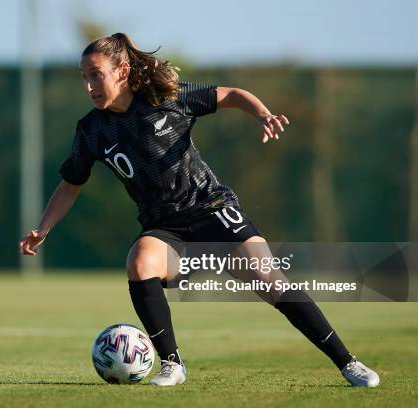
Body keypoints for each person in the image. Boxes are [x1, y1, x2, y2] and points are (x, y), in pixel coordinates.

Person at [19, 33, 379, 388]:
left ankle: (349, 363)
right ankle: (172, 365)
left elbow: (232, 95)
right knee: (140, 263)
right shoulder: (91, 131)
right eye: (84, 76)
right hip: (165, 228)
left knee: (270, 282)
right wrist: (44, 227)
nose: (88, 85)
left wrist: (262, 114)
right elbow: (70, 185)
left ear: (122, 71)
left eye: (95, 74)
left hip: (212, 209)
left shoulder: (165, 97)